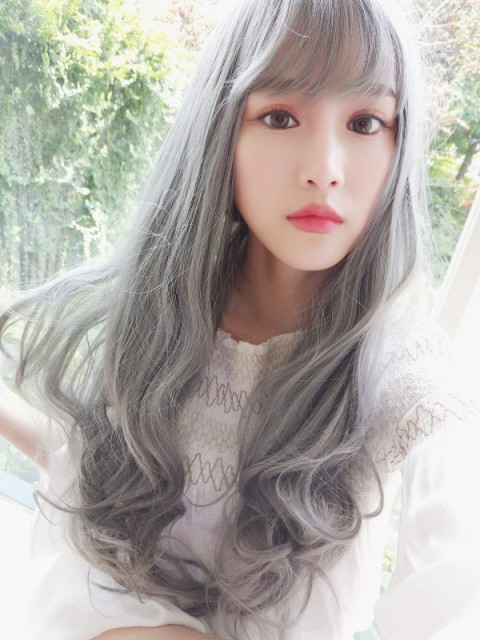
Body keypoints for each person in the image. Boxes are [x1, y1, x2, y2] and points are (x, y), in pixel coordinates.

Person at [0, 0, 479, 638]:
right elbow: (94, 480)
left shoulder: (402, 370)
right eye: (280, 117)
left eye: (365, 122)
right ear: (220, 133)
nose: (325, 170)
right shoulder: (161, 312)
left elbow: (458, 577)